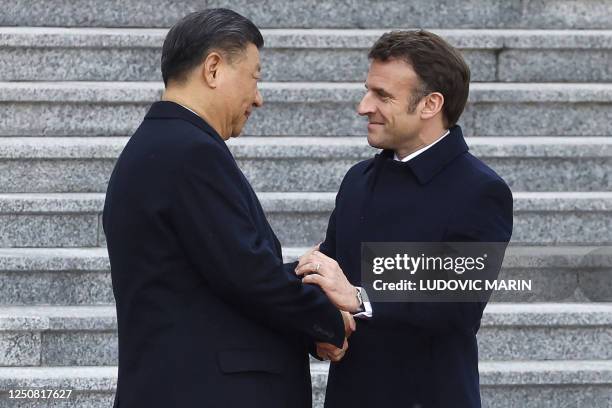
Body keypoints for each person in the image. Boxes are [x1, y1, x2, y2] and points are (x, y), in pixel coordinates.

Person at [103, 9, 353, 408]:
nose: (258, 97)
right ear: (214, 69)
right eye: (254, 77)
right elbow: (246, 271)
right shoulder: (190, 152)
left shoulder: (161, 145)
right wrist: (326, 319)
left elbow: (215, 272)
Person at [296, 30, 513, 407]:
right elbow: (330, 277)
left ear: (430, 104)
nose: (363, 106)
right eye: (368, 90)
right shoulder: (357, 180)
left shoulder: (479, 191)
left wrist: (359, 298)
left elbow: (458, 306)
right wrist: (324, 324)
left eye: (382, 95)